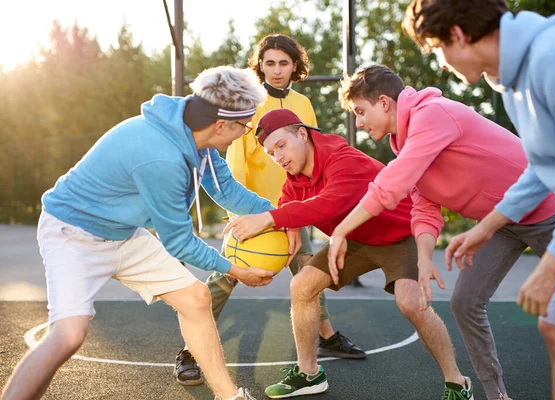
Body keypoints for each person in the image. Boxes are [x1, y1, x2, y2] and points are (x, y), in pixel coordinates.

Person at [1, 66, 278, 400]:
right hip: (72, 232)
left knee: (195, 298)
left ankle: (228, 397)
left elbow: (228, 192)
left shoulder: (199, 141)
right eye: (244, 127)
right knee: (68, 335)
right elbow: (179, 242)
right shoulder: (160, 157)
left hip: (121, 232)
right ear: (222, 125)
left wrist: (280, 216)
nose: (243, 134)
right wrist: (237, 271)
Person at [330, 64, 555, 400]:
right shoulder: (407, 144)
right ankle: (496, 395)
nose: (359, 122)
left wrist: (341, 230)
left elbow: (390, 185)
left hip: (546, 207)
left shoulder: (433, 115)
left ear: (384, 102)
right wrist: (424, 258)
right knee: (465, 301)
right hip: (498, 223)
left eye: (360, 111)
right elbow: (424, 208)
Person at [402, 1, 555, 399]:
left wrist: (551, 266)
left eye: (438, 48)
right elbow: (543, 167)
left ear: (458, 34)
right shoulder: (512, 83)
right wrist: (486, 227)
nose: (441, 63)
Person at [225, 108, 473, 399]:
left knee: (409, 303)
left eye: (281, 145)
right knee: (302, 286)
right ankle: (309, 374)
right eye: (270, 153)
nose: (278, 157)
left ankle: (457, 382)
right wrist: (288, 223)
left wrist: (271, 218)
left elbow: (330, 203)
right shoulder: (296, 173)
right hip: (354, 239)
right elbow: (289, 197)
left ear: (302, 134)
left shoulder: (345, 160)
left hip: (399, 234)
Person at [173, 33, 365, 387]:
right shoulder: (250, 103)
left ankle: (326, 335)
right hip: (255, 212)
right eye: (269, 63)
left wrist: (315, 207)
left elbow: (312, 156)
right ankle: (190, 349)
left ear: (296, 66)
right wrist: (238, 216)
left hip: (296, 210)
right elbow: (236, 162)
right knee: (226, 277)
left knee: (309, 274)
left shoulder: (303, 104)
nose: (276, 70)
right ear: (259, 67)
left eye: (284, 63)